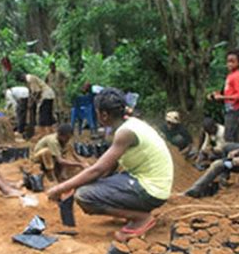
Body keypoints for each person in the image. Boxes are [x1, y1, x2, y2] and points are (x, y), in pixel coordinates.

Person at [47, 88, 174, 241]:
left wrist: (60, 188)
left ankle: (141, 218)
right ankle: (133, 211)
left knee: (85, 195)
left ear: (104, 115)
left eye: (97, 112)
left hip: (151, 190)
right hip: (150, 184)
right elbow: (108, 168)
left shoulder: (125, 133)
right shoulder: (131, 124)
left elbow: (98, 170)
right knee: (90, 186)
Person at [208, 49, 239, 142]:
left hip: (235, 110)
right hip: (229, 109)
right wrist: (216, 95)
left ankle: (234, 154)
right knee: (233, 135)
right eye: (228, 61)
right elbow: (229, 93)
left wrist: (222, 97)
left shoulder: (237, 76)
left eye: (233, 61)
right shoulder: (230, 75)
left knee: (229, 136)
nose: (229, 64)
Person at [17, 72, 55, 136]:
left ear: (23, 77)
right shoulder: (29, 81)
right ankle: (49, 132)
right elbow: (32, 92)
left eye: (22, 80)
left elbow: (37, 91)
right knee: (47, 115)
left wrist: (32, 102)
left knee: (43, 115)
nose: (23, 82)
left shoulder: (31, 79)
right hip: (49, 95)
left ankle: (45, 133)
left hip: (46, 95)